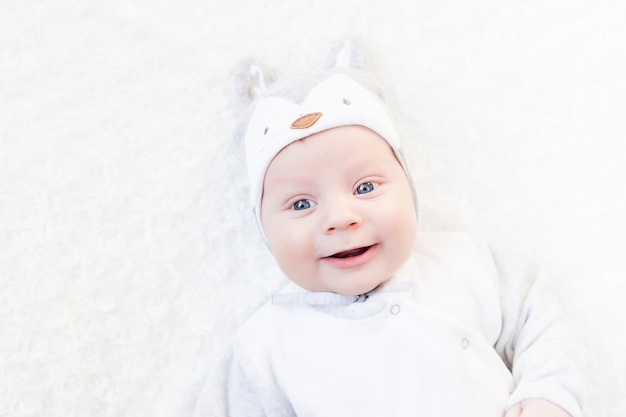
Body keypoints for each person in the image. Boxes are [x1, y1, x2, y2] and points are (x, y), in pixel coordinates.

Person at [194, 43, 586, 417]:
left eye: (365, 187)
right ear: (263, 229)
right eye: (301, 204)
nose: (340, 218)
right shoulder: (267, 347)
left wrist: (548, 394)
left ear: (408, 187)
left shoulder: (463, 264)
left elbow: (539, 318)